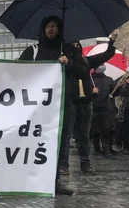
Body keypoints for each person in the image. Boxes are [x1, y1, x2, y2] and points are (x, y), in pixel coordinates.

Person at [19, 15, 87, 196]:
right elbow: (17, 71)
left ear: (60, 30)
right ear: (43, 29)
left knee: (60, 144)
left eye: (55, 26)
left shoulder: (69, 50)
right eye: (48, 26)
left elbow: (83, 71)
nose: (51, 29)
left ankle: (54, 181)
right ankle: (30, 179)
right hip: (37, 107)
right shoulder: (33, 51)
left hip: (64, 105)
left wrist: (69, 62)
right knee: (36, 143)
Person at [67, 39, 117, 174]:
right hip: (70, 104)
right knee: (67, 136)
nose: (76, 47)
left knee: (84, 136)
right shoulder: (63, 63)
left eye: (78, 45)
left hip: (86, 104)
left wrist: (112, 44)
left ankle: (85, 163)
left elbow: (106, 55)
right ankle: (64, 166)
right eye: (73, 46)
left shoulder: (87, 61)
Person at [91, 64, 119, 158]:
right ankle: (96, 147)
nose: (103, 66)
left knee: (106, 129)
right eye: (101, 65)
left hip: (106, 108)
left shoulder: (109, 79)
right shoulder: (90, 79)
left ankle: (106, 150)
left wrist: (118, 87)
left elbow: (114, 93)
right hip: (93, 107)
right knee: (94, 130)